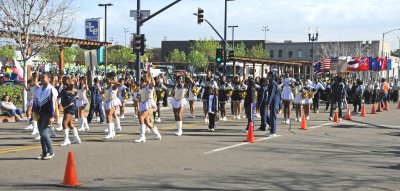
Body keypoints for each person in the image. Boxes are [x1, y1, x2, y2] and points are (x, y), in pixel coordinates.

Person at [32, 72, 57, 160]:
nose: (42, 79)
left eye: (44, 77)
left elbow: (53, 104)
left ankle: (51, 151)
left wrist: (52, 115)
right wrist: (35, 112)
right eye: (41, 78)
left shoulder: (52, 90)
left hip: (47, 114)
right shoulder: (39, 89)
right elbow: (35, 101)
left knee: (43, 133)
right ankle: (44, 152)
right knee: (41, 133)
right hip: (40, 114)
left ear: (49, 79)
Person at [134, 72, 161, 143]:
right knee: (147, 122)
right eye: (143, 76)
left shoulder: (150, 85)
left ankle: (142, 136)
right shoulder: (143, 85)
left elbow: (154, 84)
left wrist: (151, 76)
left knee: (141, 117)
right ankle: (157, 134)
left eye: (145, 76)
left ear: (149, 77)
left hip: (149, 104)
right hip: (143, 104)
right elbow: (139, 96)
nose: (144, 77)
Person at [59, 76, 81, 146]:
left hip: (70, 106)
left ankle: (66, 140)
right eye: (63, 80)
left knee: (64, 123)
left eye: (64, 80)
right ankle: (77, 139)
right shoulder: (64, 88)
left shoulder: (70, 87)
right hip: (66, 106)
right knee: (69, 124)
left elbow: (75, 91)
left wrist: (72, 81)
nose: (63, 81)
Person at [103, 72, 122, 140]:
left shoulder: (113, 85)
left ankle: (110, 133)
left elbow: (120, 84)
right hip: (107, 102)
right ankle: (113, 131)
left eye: (107, 77)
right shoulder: (107, 86)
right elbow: (103, 92)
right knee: (110, 116)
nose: (105, 78)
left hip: (113, 102)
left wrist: (112, 81)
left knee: (109, 116)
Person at [265, 71, 280, 137]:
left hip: (274, 100)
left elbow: (271, 94)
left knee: (273, 115)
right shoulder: (270, 83)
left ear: (272, 76)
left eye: (269, 75)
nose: (267, 76)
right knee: (271, 115)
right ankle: (271, 131)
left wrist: (268, 102)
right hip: (273, 100)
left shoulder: (273, 83)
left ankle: (273, 132)